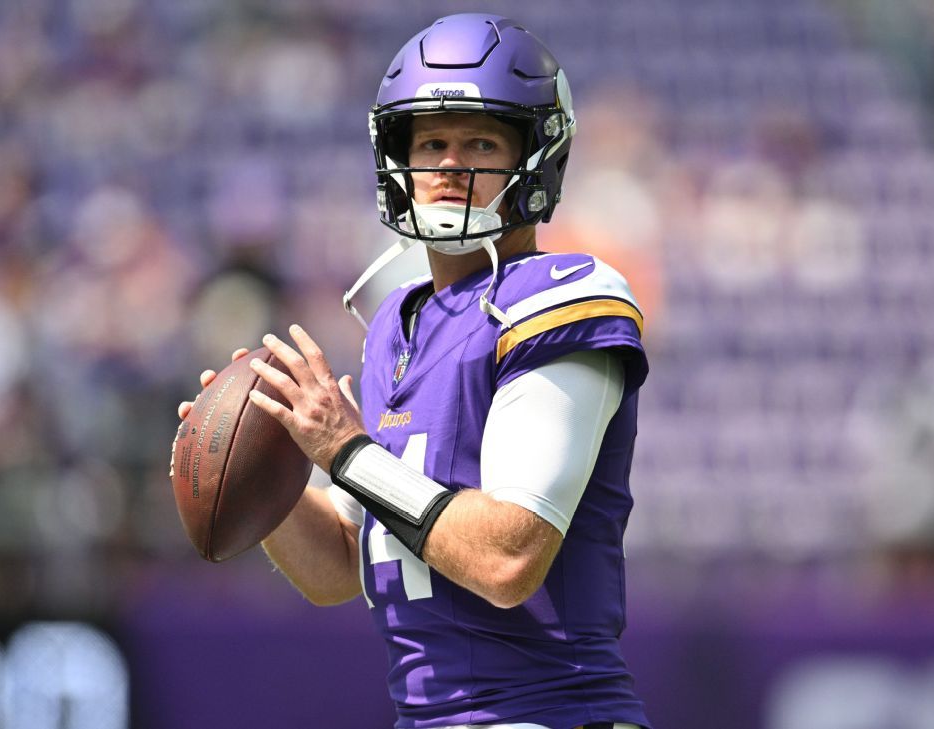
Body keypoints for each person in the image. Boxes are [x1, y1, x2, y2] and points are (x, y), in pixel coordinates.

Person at [179, 14, 651, 729]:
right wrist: (264, 461)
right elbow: (341, 565)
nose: (449, 166)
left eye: (481, 142)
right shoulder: (395, 324)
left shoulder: (562, 295)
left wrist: (345, 450)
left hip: (547, 713)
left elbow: (506, 557)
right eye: (431, 142)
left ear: (537, 155)